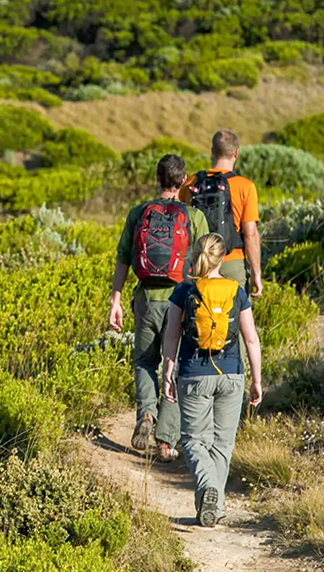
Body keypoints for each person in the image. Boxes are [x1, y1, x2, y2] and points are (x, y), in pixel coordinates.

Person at [109, 153, 209, 461]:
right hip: (179, 300)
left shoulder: (138, 212)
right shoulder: (194, 217)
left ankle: (146, 416)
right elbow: (204, 262)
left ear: (158, 178)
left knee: (144, 362)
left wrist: (115, 298)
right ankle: (166, 441)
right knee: (174, 364)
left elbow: (123, 257)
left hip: (145, 299)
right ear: (182, 182)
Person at [161, 233, 263, 527]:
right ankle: (212, 507)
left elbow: (171, 335)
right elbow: (251, 339)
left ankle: (208, 492)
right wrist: (256, 379)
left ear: (196, 256)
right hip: (231, 374)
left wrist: (168, 368)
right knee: (221, 445)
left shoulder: (183, 291)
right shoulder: (237, 291)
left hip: (194, 374)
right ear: (222, 258)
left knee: (193, 441)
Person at [187, 129, 263, 297]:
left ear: (212, 150)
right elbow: (250, 234)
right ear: (236, 152)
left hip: (199, 262)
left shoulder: (192, 183)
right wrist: (256, 273)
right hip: (231, 262)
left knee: (197, 317)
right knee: (235, 318)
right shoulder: (245, 186)